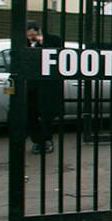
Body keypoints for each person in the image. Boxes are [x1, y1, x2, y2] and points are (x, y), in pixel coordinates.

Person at [25, 20, 64, 154]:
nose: (30, 38)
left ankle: (47, 140)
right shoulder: (23, 42)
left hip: (48, 85)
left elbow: (59, 55)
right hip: (31, 85)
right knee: (31, 114)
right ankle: (37, 141)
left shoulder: (52, 39)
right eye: (28, 36)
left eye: (32, 35)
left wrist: (42, 44)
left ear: (38, 31)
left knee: (46, 114)